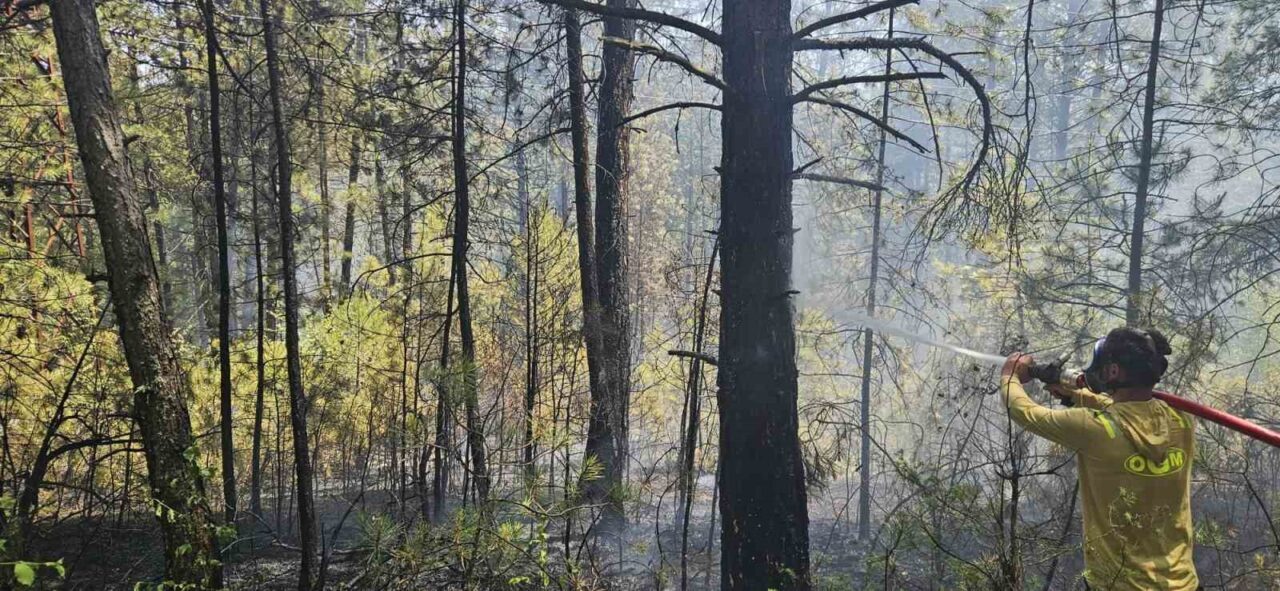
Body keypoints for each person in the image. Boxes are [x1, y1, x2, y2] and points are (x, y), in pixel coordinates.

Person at [1002, 327, 1199, 590]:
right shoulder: (1182, 422)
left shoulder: (1094, 429)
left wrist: (1010, 375)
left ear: (1114, 371)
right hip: (1183, 583)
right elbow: (1128, 413)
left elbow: (1023, 411)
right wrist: (1076, 396)